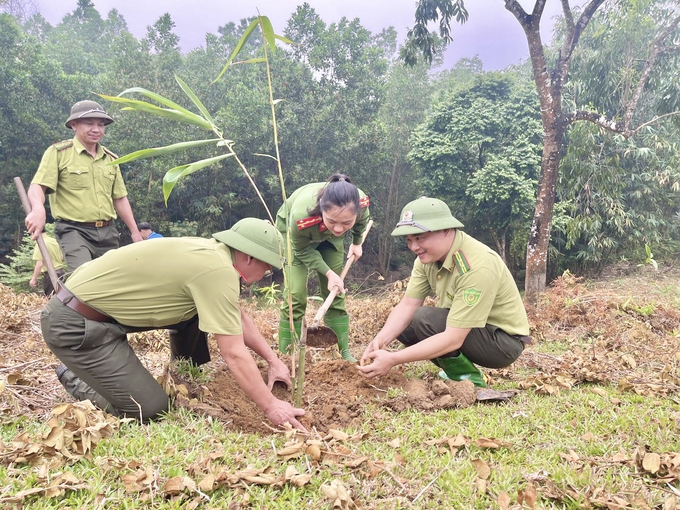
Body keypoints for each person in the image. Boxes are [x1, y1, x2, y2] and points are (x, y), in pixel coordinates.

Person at [42, 218, 305, 431]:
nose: (265, 276)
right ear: (249, 257)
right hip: (77, 326)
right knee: (151, 410)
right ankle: (74, 376)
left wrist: (273, 361)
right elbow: (234, 353)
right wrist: (271, 406)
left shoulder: (213, 254)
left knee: (199, 312)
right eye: (267, 269)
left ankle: (184, 370)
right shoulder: (217, 271)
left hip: (100, 314)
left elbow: (236, 316)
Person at [357, 197, 531, 387]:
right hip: (470, 330)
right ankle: (453, 370)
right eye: (409, 240)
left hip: (501, 343)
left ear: (446, 230)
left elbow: (453, 338)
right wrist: (380, 341)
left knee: (424, 318)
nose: (414, 247)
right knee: (405, 326)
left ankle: (467, 379)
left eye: (420, 238)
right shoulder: (427, 259)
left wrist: (393, 359)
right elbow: (408, 304)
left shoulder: (477, 265)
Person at [24, 100, 143, 272]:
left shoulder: (111, 159)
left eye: (101, 125)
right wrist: (37, 209)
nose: (96, 129)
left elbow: (119, 197)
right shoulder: (58, 153)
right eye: (89, 123)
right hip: (74, 231)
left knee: (111, 283)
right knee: (84, 278)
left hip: (108, 232)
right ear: (74, 124)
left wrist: (135, 231)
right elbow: (38, 186)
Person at [275, 174, 370, 361]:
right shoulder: (301, 217)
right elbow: (301, 251)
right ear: (322, 211)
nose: (338, 228)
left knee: (336, 290)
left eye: (346, 223)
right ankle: (286, 355)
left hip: (329, 241)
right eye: (332, 221)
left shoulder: (361, 202)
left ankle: (343, 353)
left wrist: (357, 243)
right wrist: (328, 273)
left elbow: (362, 222)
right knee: (295, 295)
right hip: (297, 237)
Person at [29, 230, 66, 296]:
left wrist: (33, 279)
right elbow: (61, 257)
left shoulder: (40, 244)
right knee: (62, 297)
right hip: (62, 273)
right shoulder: (53, 241)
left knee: (51, 299)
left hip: (51, 276)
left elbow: (39, 264)